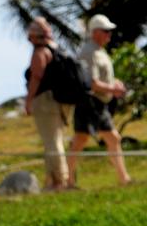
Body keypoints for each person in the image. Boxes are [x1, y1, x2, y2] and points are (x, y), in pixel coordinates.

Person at [67, 14, 131, 187]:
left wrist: (113, 83)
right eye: (106, 31)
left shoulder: (98, 50)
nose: (109, 35)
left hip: (97, 102)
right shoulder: (89, 52)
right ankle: (124, 179)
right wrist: (113, 89)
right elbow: (93, 84)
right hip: (91, 102)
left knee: (80, 139)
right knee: (112, 138)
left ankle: (69, 180)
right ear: (95, 32)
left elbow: (102, 79)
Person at [24, 17, 72, 191]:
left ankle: (59, 181)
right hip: (59, 101)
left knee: (51, 141)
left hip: (45, 101)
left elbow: (36, 78)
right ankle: (55, 180)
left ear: (35, 36)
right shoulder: (57, 49)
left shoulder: (40, 52)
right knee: (55, 140)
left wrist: (28, 101)